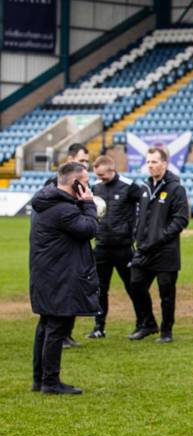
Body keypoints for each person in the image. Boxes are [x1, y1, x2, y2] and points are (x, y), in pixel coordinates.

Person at [29, 162, 100, 394]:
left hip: (46, 273)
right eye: (86, 182)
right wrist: (88, 204)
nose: (89, 187)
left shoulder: (46, 202)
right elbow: (89, 229)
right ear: (75, 183)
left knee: (45, 325)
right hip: (59, 275)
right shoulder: (64, 210)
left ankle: (39, 379)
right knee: (56, 327)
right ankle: (50, 382)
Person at [129, 146, 189, 343]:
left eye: (154, 162)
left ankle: (166, 331)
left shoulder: (176, 189)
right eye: (148, 162)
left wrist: (161, 237)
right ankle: (148, 323)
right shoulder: (144, 188)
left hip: (166, 251)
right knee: (135, 285)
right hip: (144, 250)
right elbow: (141, 217)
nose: (150, 165)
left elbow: (181, 219)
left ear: (165, 163)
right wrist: (138, 236)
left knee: (166, 294)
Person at [86, 155, 144, 339]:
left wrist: (136, 231)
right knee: (100, 289)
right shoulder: (96, 187)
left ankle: (141, 324)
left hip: (123, 247)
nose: (100, 178)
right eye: (97, 175)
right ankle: (99, 327)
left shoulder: (129, 186)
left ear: (112, 170)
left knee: (133, 287)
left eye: (102, 175)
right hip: (101, 246)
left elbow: (146, 207)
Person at [43, 143, 92, 349]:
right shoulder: (55, 185)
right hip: (59, 255)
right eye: (81, 160)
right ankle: (60, 337)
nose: (85, 164)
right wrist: (87, 206)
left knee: (73, 293)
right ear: (71, 159)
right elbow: (82, 225)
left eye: (87, 161)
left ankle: (67, 334)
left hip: (72, 252)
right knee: (57, 305)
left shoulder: (80, 184)